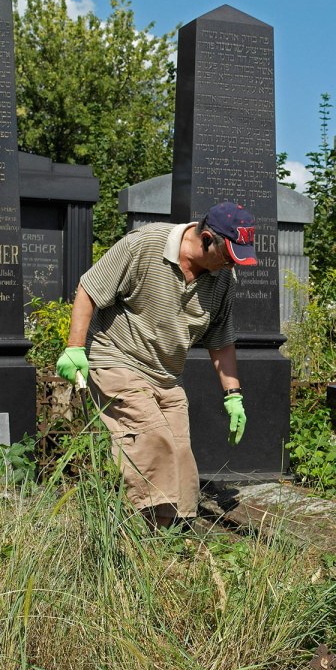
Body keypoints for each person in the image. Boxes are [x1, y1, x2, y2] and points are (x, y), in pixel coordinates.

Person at [56, 201, 256, 528]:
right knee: (153, 442)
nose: (232, 264)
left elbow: (221, 340)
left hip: (165, 378)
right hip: (116, 359)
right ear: (206, 238)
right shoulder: (145, 245)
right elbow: (89, 289)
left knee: (181, 459)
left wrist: (233, 396)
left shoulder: (222, 280)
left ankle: (159, 540)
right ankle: (127, 534)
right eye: (228, 255)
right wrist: (75, 347)